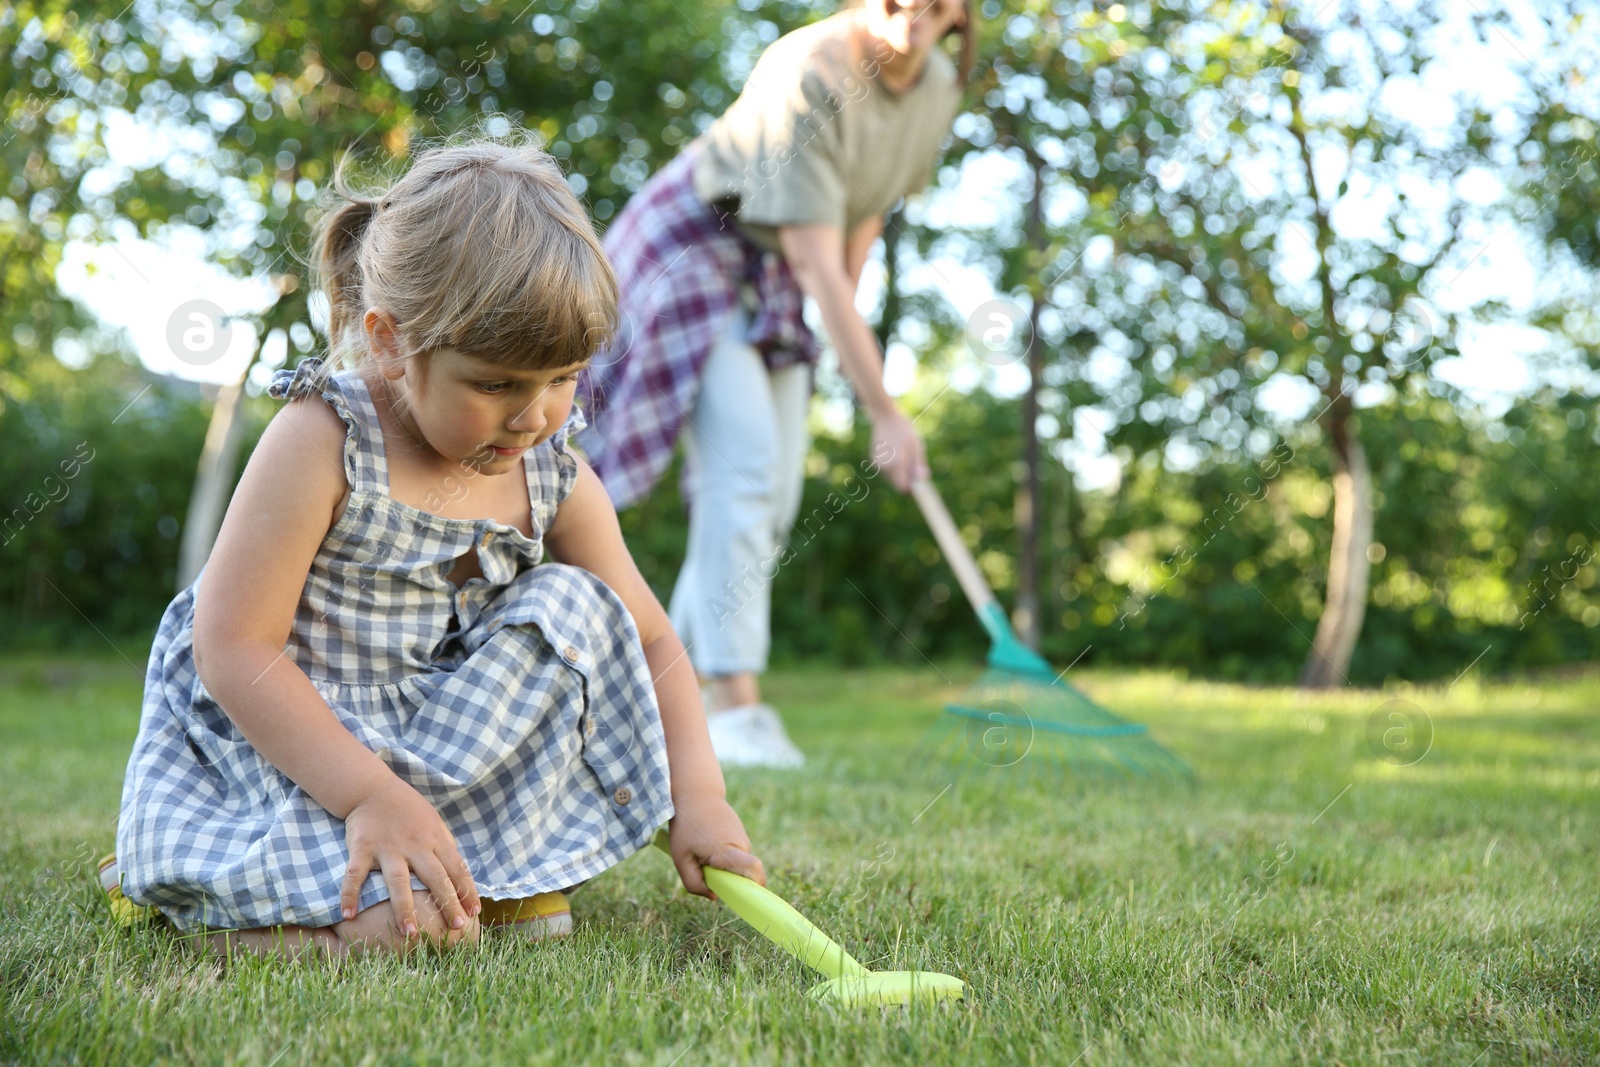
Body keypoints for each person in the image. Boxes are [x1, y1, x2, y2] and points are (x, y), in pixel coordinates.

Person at [108, 134, 765, 960]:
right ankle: (209, 890)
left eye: (562, 378)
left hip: (432, 748)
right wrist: (370, 795)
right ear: (390, 342)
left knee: (581, 604)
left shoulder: (553, 474)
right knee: (404, 932)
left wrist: (699, 796)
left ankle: (470, 872)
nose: (534, 416)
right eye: (495, 384)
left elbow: (655, 639)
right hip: (289, 749)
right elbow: (233, 649)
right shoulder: (323, 440)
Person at [578, 0, 973, 768]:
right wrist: (882, 408)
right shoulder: (812, 69)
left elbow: (862, 222)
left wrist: (853, 357)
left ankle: (673, 693)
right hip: (697, 242)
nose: (918, 10)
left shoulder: (938, 91)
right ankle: (733, 707)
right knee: (747, 468)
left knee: (775, 494)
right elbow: (816, 261)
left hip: (783, 274)